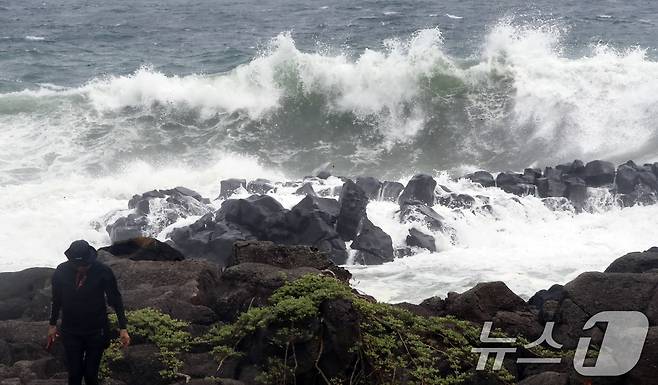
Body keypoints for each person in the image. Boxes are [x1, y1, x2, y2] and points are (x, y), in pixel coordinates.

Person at [48, 240, 131, 385]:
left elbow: (115, 299)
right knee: (74, 375)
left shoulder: (103, 271)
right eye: (78, 265)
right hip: (71, 331)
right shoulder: (61, 272)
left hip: (96, 331)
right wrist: (52, 324)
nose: (82, 268)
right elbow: (57, 300)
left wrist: (123, 328)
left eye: (85, 264)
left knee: (91, 375)